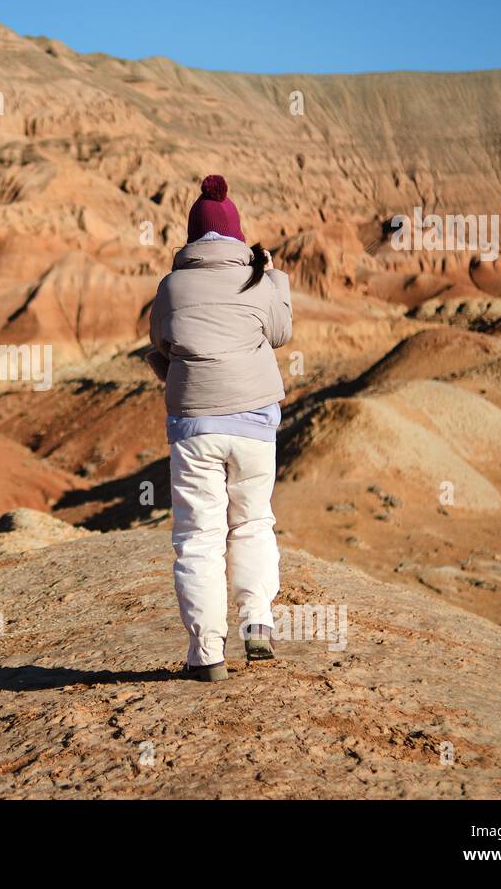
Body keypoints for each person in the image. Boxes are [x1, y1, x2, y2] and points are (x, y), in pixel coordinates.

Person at [145, 175, 293, 682]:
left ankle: (206, 653)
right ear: (236, 236)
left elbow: (162, 344)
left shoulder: (170, 287)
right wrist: (274, 277)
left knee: (198, 536)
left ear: (191, 238)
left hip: (195, 428)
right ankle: (257, 622)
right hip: (254, 423)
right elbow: (280, 332)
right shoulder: (257, 280)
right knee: (252, 522)